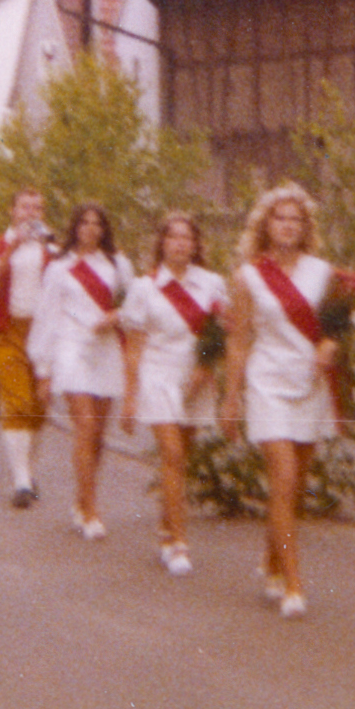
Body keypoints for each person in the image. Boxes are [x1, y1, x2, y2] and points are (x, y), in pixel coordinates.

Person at [219, 183, 338, 618]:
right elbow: (239, 340)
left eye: (295, 219)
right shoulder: (249, 275)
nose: (287, 226)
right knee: (283, 479)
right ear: (265, 226)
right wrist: (231, 398)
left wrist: (332, 344)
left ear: (305, 227)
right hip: (267, 381)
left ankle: (272, 561)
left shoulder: (322, 271)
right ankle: (293, 583)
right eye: (279, 218)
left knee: (296, 487)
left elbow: (338, 324)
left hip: (308, 383)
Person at [120, 212, 225, 575]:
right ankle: (178, 542)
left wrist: (206, 367)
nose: (180, 243)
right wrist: (130, 396)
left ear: (196, 244)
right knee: (173, 453)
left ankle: (166, 527)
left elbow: (218, 334)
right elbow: (133, 347)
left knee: (183, 457)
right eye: (173, 237)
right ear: (161, 243)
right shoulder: (144, 287)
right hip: (158, 375)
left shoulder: (212, 283)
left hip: (194, 377)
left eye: (187, 237)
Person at [31, 204, 132, 539]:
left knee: (99, 436)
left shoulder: (118, 265)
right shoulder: (60, 268)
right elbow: (46, 318)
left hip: (105, 351)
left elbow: (133, 305)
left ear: (104, 229)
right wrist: (43, 370)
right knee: (85, 428)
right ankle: (90, 510)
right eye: (84, 223)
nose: (91, 229)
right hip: (72, 349)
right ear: (75, 227)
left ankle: (81, 498)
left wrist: (117, 316)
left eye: (97, 223)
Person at [0, 188, 54, 507]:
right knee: (17, 400)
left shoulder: (50, 248)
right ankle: (20, 480)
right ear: (12, 211)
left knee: (38, 407)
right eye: (24, 207)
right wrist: (11, 248)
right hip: (7, 331)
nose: (31, 213)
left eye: (37, 208)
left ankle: (28, 472)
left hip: (42, 333)